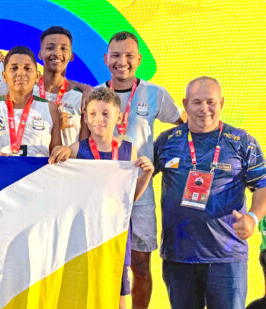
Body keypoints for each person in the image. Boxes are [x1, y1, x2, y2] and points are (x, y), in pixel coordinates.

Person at [154, 76, 266, 309]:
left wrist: (253, 218)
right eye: (197, 102)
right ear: (185, 104)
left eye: (210, 102)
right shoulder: (166, 141)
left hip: (226, 257)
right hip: (179, 256)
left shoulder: (242, 142)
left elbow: (263, 185)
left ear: (222, 103)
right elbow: (134, 177)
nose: (204, 109)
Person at [100, 31, 186, 308]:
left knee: (140, 264)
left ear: (139, 59)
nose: (121, 61)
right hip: (104, 194)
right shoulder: (97, 95)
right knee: (107, 263)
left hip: (141, 193)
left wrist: (167, 157)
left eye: (128, 55)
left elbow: (185, 126)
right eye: (115, 55)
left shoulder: (155, 94)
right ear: (106, 59)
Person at [49, 87, 154, 308]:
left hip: (116, 234)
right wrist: (63, 152)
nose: (99, 119)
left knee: (117, 296)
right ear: (85, 118)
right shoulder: (77, 150)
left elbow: (130, 197)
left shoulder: (128, 151)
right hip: (84, 235)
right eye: (94, 114)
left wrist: (147, 174)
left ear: (119, 117)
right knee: (83, 291)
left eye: (106, 114)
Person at [0, 46, 61, 158]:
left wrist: (63, 150)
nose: (20, 73)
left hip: (36, 175)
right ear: (4, 76)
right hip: (0, 173)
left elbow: (56, 152)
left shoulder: (50, 108)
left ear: (37, 76)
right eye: (14, 68)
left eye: (27, 68)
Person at [34, 26, 87, 146]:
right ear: (40, 54)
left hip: (68, 164)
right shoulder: (28, 93)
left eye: (63, 48)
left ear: (71, 56)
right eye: (50, 48)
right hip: (35, 163)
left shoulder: (81, 97)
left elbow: (84, 146)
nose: (57, 53)